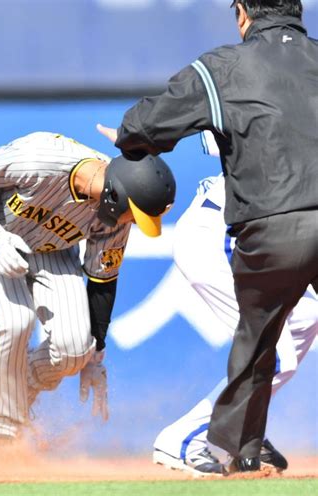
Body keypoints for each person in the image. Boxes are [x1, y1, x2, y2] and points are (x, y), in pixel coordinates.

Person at [98, 0, 318, 473]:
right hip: (221, 227)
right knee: (278, 343)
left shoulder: (223, 67)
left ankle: (243, 439)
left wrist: (126, 135)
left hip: (272, 222)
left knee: (280, 338)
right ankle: (191, 441)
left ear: (242, 12)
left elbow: (148, 122)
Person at [0, 131, 175, 457]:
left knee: (76, 349)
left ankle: (18, 390)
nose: (132, 222)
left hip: (53, 250)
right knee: (14, 322)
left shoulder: (114, 219)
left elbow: (102, 280)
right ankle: (2, 436)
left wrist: (97, 354)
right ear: (115, 194)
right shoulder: (42, 158)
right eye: (134, 213)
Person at [152, 160, 317, 477]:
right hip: (220, 239)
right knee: (277, 355)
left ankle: (240, 430)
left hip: (247, 239)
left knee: (305, 315)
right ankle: (184, 440)